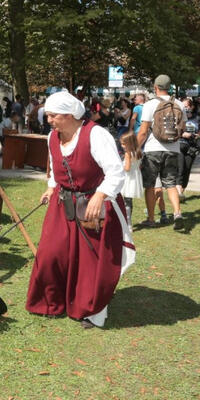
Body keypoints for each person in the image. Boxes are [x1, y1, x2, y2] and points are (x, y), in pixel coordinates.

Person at [26, 91, 135, 329]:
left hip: (93, 205)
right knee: (50, 252)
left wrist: (100, 194)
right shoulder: (52, 138)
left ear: (69, 115)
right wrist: (51, 187)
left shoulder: (96, 135)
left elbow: (116, 171)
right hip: (62, 203)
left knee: (89, 262)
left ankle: (91, 311)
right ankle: (51, 302)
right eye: (49, 115)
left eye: (53, 116)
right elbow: (55, 168)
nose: (49, 120)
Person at [136, 75, 187, 230]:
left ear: (155, 87)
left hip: (153, 149)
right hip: (173, 149)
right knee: (171, 184)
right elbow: (183, 128)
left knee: (150, 185)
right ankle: (177, 213)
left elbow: (143, 131)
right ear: (169, 86)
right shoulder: (178, 103)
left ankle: (151, 219)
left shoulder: (150, 104)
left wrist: (135, 148)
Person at [176, 98, 199, 201]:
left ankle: (182, 191)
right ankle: (179, 193)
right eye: (183, 106)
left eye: (187, 106)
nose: (185, 108)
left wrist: (197, 135)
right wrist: (182, 134)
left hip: (192, 147)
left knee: (187, 169)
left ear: (191, 107)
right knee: (180, 169)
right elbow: (173, 130)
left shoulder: (197, 118)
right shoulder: (178, 118)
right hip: (180, 145)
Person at [119, 132, 143, 231]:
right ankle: (128, 223)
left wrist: (119, 166)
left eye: (124, 144)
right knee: (129, 201)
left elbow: (127, 168)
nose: (122, 146)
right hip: (134, 178)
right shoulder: (138, 152)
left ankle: (127, 223)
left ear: (129, 143)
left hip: (127, 179)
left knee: (125, 202)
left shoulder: (128, 154)